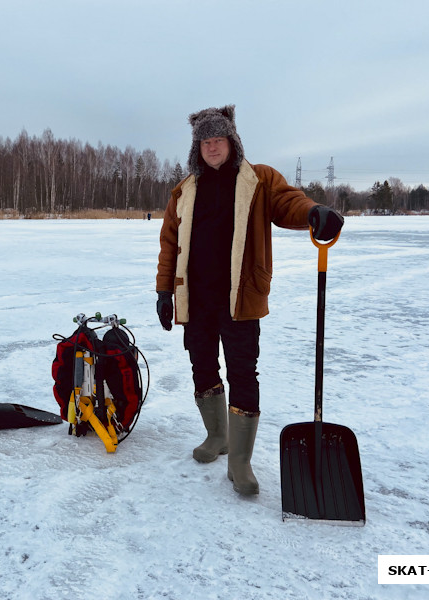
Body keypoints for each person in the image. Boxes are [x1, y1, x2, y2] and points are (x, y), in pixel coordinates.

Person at [155, 105, 343, 496]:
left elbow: (288, 202)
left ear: (231, 141)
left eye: (218, 140)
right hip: (197, 297)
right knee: (202, 365)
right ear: (198, 147)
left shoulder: (258, 179)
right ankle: (217, 437)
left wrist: (312, 212)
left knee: (242, 371)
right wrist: (163, 290)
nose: (212, 147)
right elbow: (169, 244)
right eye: (205, 142)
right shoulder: (185, 190)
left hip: (240, 296)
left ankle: (240, 461)